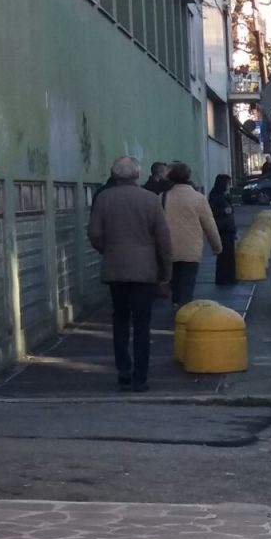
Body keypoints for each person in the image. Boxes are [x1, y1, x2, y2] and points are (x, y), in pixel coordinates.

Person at [88, 156, 172, 393]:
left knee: (120, 320)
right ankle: (140, 377)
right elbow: (163, 239)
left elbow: (94, 233)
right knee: (143, 323)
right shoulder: (150, 200)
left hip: (115, 269)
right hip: (144, 271)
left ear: (114, 175)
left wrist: (109, 249)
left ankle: (123, 371)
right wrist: (165, 271)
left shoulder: (103, 199)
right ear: (137, 175)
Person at [161, 162, 222, 307]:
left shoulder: (162, 197)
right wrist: (217, 246)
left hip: (169, 248)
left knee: (174, 282)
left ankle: (176, 305)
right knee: (188, 284)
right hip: (191, 249)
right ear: (188, 176)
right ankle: (184, 311)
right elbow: (209, 224)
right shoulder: (199, 198)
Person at [208, 174, 236, 286]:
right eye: (228, 183)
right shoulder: (216, 196)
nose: (229, 186)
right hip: (223, 228)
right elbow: (213, 212)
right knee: (225, 255)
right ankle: (225, 279)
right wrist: (225, 211)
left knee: (228, 255)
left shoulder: (222, 195)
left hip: (227, 227)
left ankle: (228, 278)